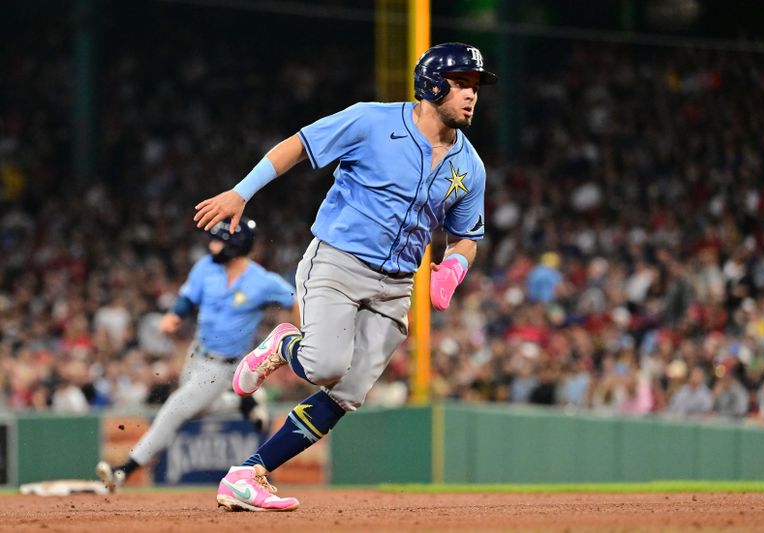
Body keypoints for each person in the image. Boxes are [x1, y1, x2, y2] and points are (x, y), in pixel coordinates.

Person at [193, 42, 496, 512]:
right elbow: (298, 146)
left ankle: (246, 474)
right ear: (433, 84)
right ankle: (282, 346)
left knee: (347, 394)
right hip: (338, 262)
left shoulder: (469, 166)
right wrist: (241, 192)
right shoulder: (371, 121)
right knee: (324, 365)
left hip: (396, 286)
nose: (471, 95)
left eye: (474, 86)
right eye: (461, 84)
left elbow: (467, 236)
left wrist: (454, 268)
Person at [96, 217, 298, 492]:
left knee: (175, 410)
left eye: (220, 241)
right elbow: (188, 298)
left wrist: (302, 332)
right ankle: (239, 404)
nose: (213, 246)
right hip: (196, 354)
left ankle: (124, 470)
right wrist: (174, 316)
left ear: (236, 246)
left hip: (223, 365)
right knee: (192, 410)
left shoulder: (261, 281)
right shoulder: (206, 267)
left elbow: (294, 298)